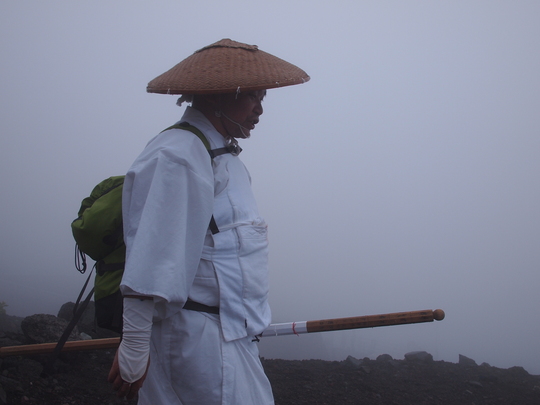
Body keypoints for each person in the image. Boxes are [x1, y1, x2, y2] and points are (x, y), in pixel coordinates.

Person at [107, 38, 309, 404]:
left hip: (231, 337)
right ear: (216, 96)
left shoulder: (225, 158)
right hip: (194, 341)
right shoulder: (178, 156)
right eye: (252, 96)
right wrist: (135, 346)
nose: (259, 110)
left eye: (263, 98)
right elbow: (151, 259)